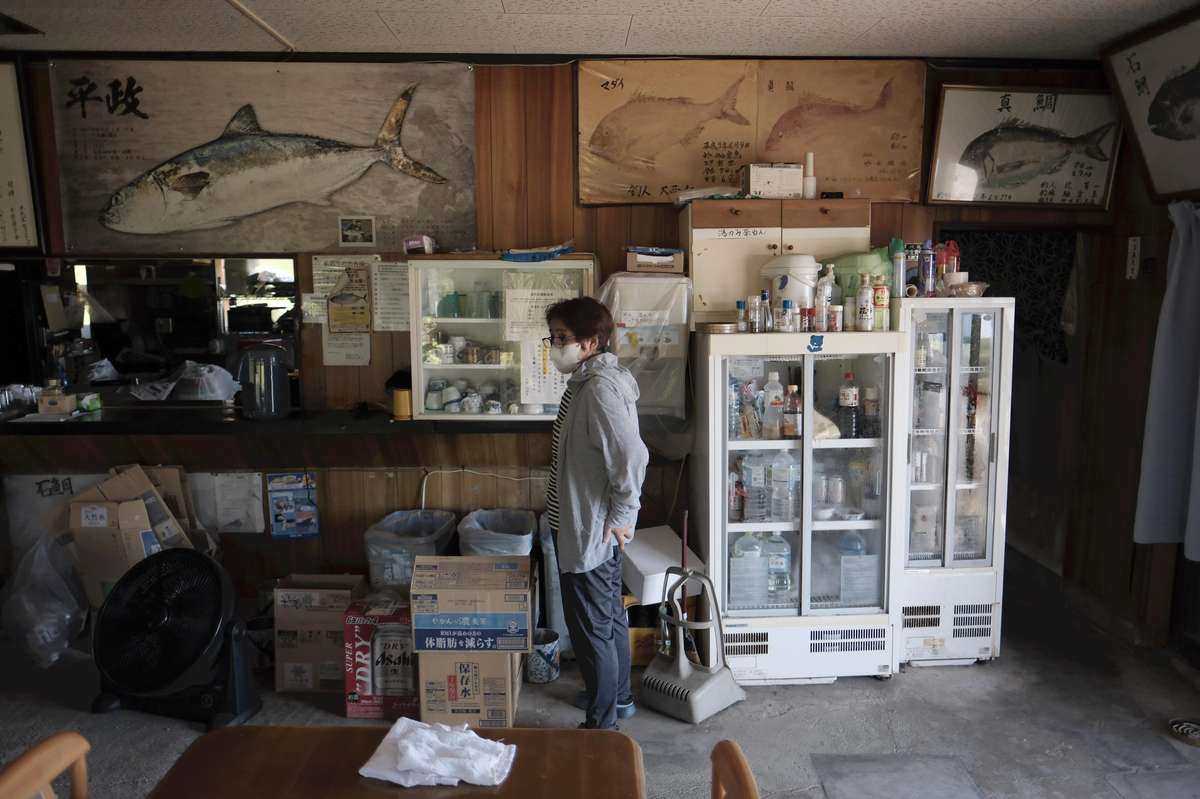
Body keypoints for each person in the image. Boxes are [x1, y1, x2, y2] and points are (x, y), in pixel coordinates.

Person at [544, 297, 649, 730]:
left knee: (593, 626)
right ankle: (617, 698)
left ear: (590, 342)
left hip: (591, 529)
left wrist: (623, 516)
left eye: (562, 338)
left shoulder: (599, 390)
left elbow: (631, 458)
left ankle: (601, 724)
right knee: (606, 617)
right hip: (585, 524)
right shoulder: (588, 383)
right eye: (553, 337)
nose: (555, 346)